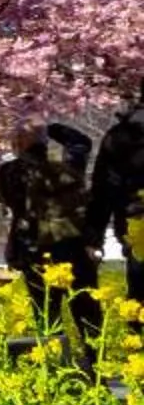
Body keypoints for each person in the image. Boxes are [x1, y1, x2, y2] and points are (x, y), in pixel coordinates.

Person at [1, 122, 100, 361]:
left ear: (17, 146)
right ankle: (95, 367)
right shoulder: (67, 168)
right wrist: (52, 128)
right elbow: (81, 143)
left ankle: (58, 369)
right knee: (87, 312)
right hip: (74, 249)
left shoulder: (10, 172)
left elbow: (6, 198)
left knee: (47, 314)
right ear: (45, 144)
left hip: (33, 250)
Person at [88, 84, 144, 271]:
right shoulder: (122, 136)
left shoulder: (119, 136)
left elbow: (103, 189)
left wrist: (94, 237)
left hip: (137, 227)